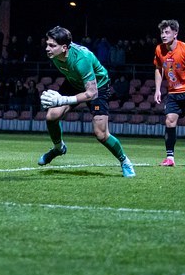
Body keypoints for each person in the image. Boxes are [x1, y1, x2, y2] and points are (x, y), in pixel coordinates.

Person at [37, 26, 135, 177]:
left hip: (98, 87)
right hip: (74, 82)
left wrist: (63, 99)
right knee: (52, 116)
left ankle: (125, 161)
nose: (47, 48)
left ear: (64, 48)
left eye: (52, 45)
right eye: (47, 44)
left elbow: (91, 93)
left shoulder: (81, 59)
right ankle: (58, 148)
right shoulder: (55, 55)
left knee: (101, 134)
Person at [153, 19, 185, 166]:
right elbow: (158, 69)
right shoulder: (159, 49)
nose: (163, 35)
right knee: (169, 120)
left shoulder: (183, 49)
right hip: (173, 93)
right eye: (162, 32)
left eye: (167, 32)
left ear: (175, 33)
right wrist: (158, 89)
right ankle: (170, 158)